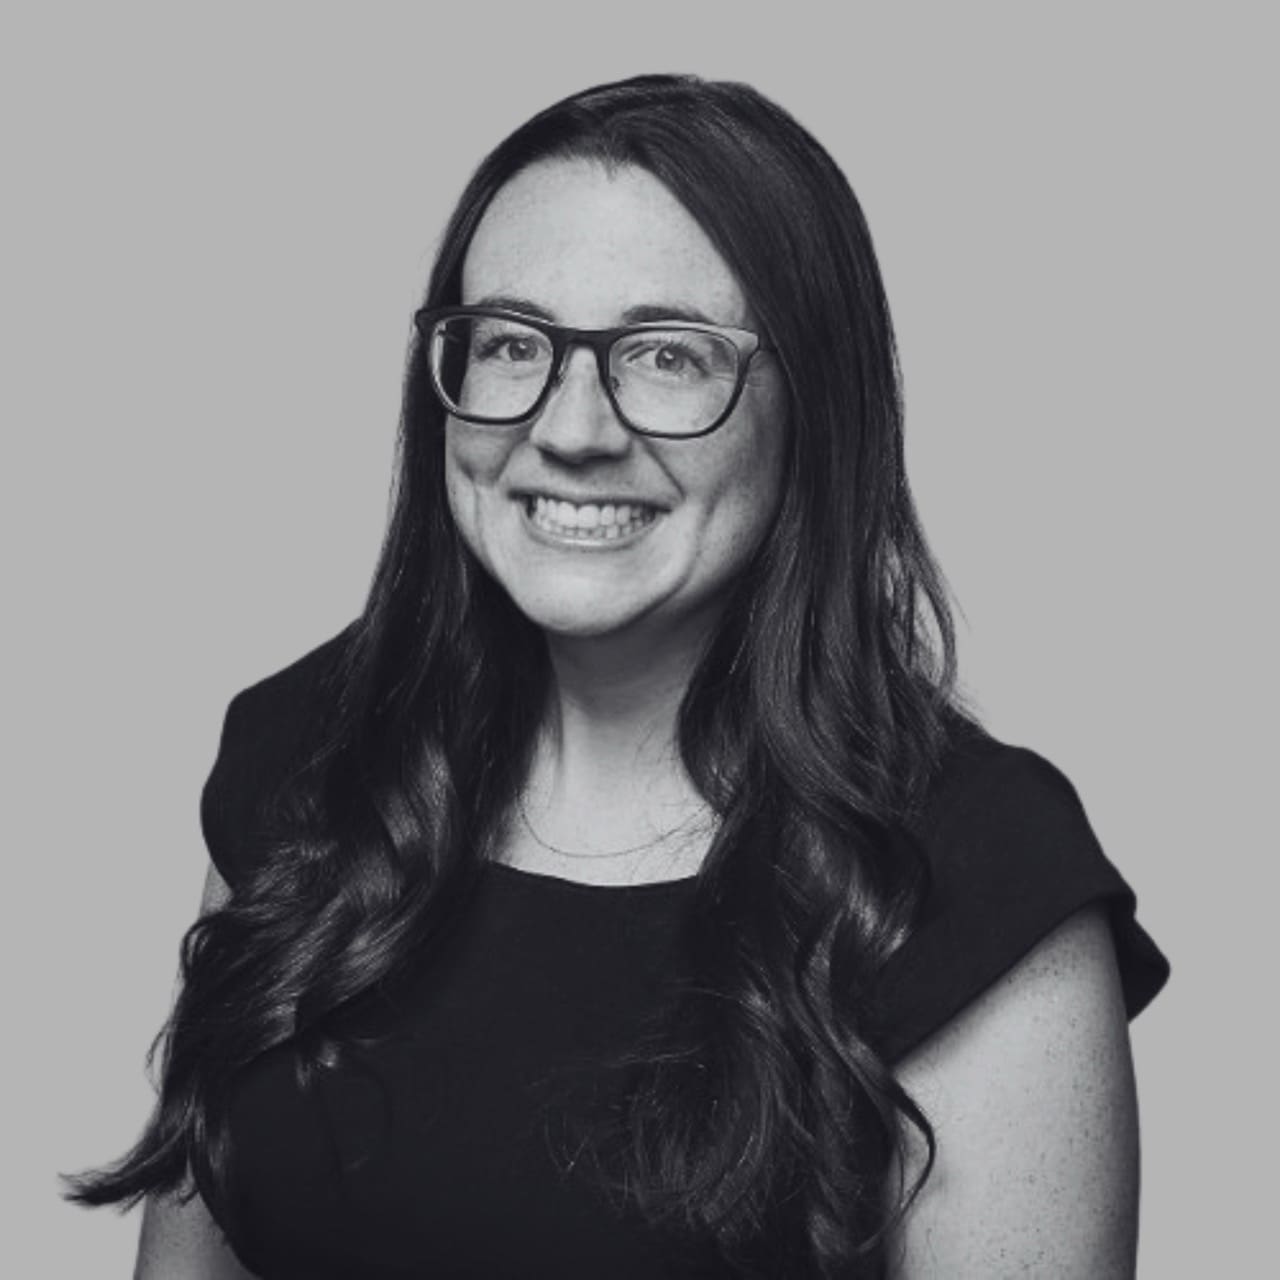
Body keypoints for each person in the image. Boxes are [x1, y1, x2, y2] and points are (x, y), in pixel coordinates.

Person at [67, 74, 1168, 1278]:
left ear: (813, 405)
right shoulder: (303, 759)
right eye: (509, 342)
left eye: (664, 354)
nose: (572, 425)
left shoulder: (980, 878)